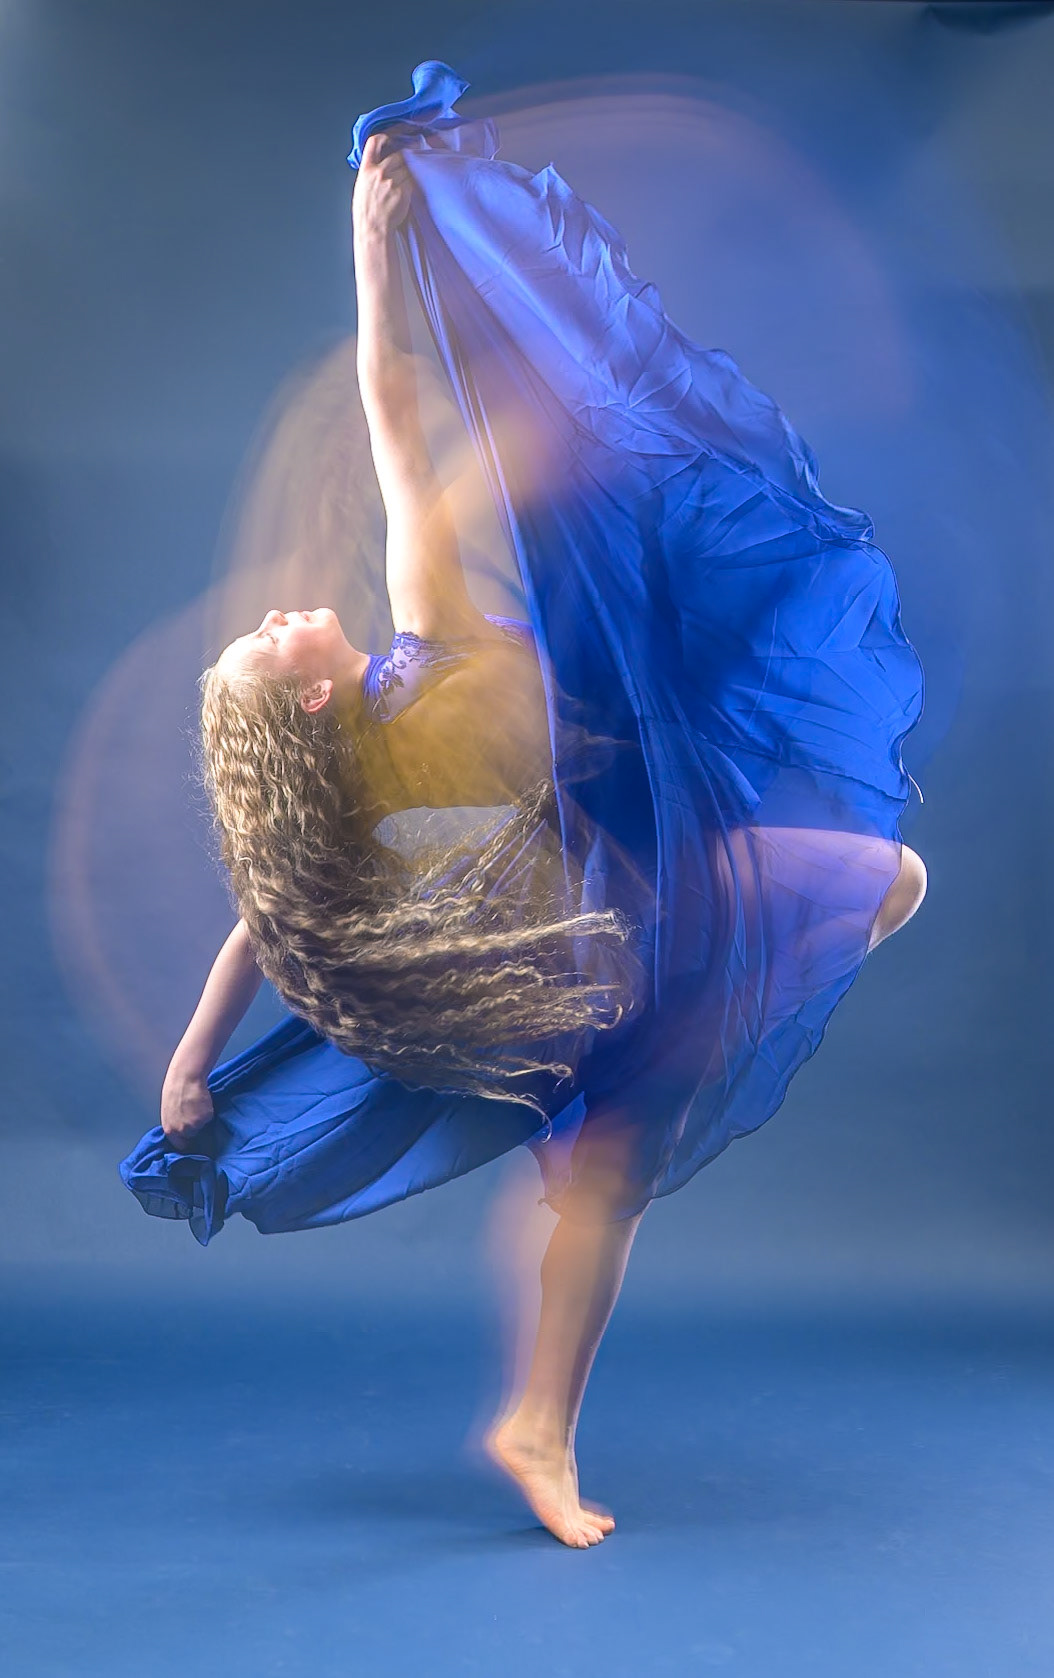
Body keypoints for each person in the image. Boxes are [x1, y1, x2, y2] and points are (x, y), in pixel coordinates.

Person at [122, 66, 928, 1549]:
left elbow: (393, 401)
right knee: (603, 1176)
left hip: (654, 844)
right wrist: (191, 1056)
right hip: (614, 901)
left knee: (885, 883)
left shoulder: (400, 674)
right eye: (272, 636)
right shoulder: (388, 723)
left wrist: (379, 242)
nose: (288, 610)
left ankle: (688, 1028)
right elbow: (275, 917)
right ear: (306, 697)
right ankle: (535, 1426)